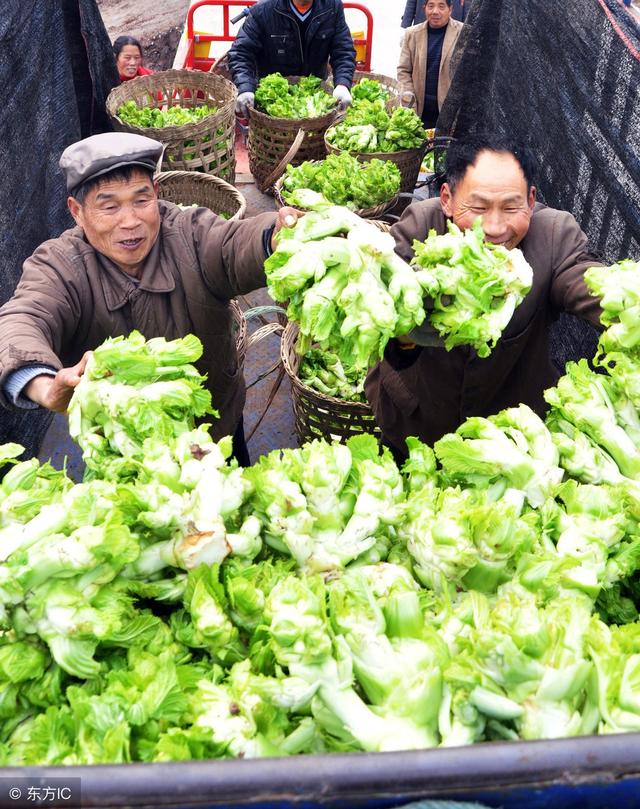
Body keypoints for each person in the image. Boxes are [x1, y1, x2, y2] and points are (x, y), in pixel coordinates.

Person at [0, 133, 299, 466]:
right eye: (109, 206)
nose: (130, 222)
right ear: (77, 211)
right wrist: (45, 387)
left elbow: (233, 244)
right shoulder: (60, 265)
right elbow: (21, 321)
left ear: (157, 195)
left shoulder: (190, 232)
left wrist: (274, 236)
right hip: (127, 451)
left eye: (141, 201)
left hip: (215, 428)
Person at [364, 134, 603, 461]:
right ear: (447, 198)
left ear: (531, 201)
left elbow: (585, 282)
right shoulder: (420, 225)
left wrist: (623, 299)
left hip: (506, 436)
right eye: (477, 207)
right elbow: (382, 313)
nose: (494, 227)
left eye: (511, 207)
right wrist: (407, 332)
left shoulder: (554, 235)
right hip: (415, 417)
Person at [228, 0, 356, 117]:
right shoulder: (263, 11)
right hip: (271, 100)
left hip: (315, 99)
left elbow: (343, 50)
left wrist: (342, 84)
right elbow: (241, 53)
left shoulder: (332, 7)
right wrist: (245, 87)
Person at [397, 0, 464, 129]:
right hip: (420, 110)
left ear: (450, 9)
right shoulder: (412, 34)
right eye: (431, 6)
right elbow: (403, 70)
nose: (435, 12)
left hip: (450, 113)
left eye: (441, 6)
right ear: (424, 8)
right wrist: (408, 96)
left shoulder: (463, 33)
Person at [401, 0, 466, 26]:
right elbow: (411, 2)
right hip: (423, 21)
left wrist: (466, 27)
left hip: (454, 24)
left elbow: (469, 4)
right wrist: (406, 26)